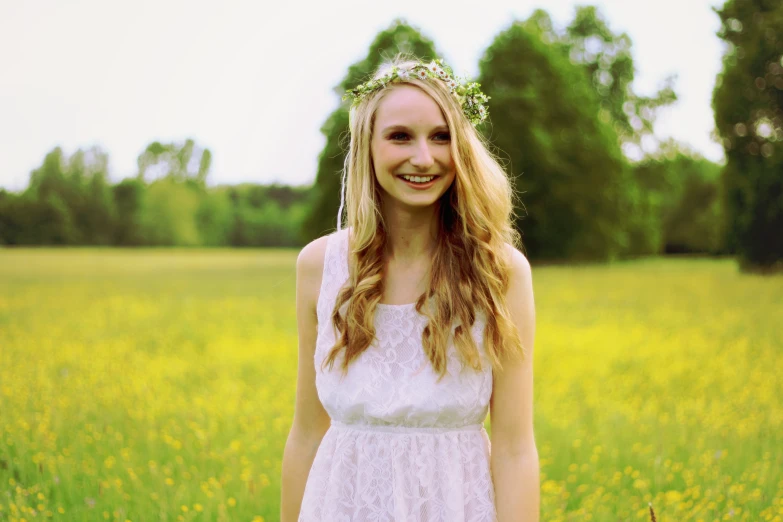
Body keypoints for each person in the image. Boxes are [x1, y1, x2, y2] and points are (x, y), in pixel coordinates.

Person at [281, 55, 539, 522]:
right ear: (368, 147)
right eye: (400, 136)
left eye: (441, 137)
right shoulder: (319, 267)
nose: (424, 158)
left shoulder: (500, 273)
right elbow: (306, 433)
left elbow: (515, 448)